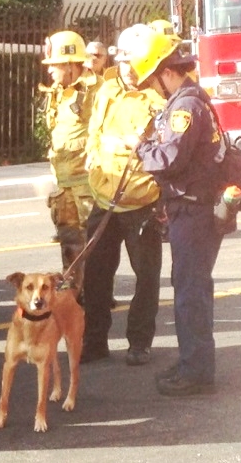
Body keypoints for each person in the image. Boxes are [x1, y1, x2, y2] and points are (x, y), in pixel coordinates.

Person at [125, 31, 223, 396]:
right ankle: (193, 361)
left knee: (190, 291)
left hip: (194, 211)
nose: (153, 87)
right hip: (191, 207)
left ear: (165, 71)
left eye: (153, 80)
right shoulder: (187, 101)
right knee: (192, 287)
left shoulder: (185, 107)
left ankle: (196, 371)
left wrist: (140, 146)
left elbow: (170, 157)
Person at [81, 25, 166, 365]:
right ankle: (94, 341)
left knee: (146, 277)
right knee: (97, 276)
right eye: (127, 61)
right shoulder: (107, 88)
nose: (131, 68)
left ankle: (139, 343)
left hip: (142, 201)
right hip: (105, 198)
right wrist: (93, 156)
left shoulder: (160, 96)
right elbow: (95, 131)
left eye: (137, 61)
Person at [40, 30, 103, 287]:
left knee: (93, 245)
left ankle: (96, 293)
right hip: (63, 186)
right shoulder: (57, 91)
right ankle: (74, 293)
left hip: (87, 186)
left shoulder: (97, 90)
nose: (50, 71)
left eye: (54, 65)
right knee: (69, 243)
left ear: (69, 64)